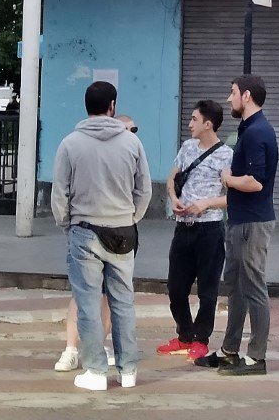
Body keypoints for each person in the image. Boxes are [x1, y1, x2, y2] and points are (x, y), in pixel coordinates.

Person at [51, 84, 150, 392]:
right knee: (123, 302)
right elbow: (144, 190)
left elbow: (59, 193)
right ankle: (128, 370)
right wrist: (131, 217)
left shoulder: (70, 143)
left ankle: (95, 371)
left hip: (85, 231)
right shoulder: (132, 143)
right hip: (123, 232)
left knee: (88, 304)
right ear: (112, 106)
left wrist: (67, 223)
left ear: (86, 107)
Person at [195, 74, 278, 377]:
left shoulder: (258, 132)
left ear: (246, 96)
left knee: (253, 287)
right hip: (241, 220)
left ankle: (257, 357)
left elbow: (255, 182)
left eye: (232, 93)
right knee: (236, 286)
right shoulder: (249, 129)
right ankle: (230, 350)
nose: (228, 99)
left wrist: (227, 179)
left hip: (253, 223)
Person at [158, 99, 233, 361]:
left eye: (194, 119)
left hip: (210, 229)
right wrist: (173, 198)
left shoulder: (226, 155)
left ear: (207, 124)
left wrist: (206, 204)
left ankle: (201, 338)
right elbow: (171, 178)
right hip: (183, 228)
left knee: (207, 289)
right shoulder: (188, 147)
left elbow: (232, 197)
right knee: (176, 287)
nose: (189, 124)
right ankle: (184, 334)